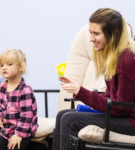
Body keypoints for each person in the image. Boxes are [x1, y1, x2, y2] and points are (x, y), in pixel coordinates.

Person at [52, 8, 135, 150]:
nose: (91, 39)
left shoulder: (127, 59)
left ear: (113, 34)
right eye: (90, 33)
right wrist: (83, 94)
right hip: (122, 116)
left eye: (96, 33)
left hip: (130, 121)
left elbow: (121, 108)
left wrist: (82, 92)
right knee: (62, 115)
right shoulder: (112, 57)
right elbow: (111, 96)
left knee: (69, 120)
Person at [0, 49, 38, 150]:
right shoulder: (3, 86)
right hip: (7, 130)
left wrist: (19, 135)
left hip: (23, 130)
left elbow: (27, 115)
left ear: (20, 67)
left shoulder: (24, 89)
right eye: (2, 65)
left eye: (9, 64)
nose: (4, 68)